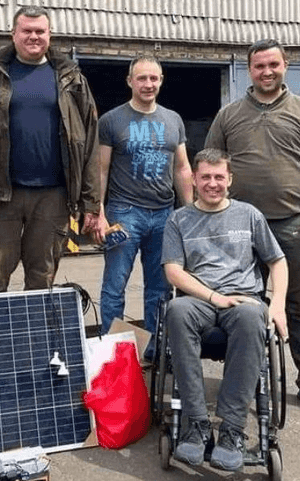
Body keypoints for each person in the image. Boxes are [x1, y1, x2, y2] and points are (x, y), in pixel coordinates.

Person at [204, 38, 300, 420]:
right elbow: (211, 165)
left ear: (285, 66)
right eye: (259, 66)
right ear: (249, 70)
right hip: (237, 229)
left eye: (273, 65)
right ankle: (246, 376)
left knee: (298, 305)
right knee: (239, 304)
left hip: (292, 224)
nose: (267, 72)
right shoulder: (229, 115)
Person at [162, 148, 288, 472]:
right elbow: (174, 272)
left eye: (219, 177)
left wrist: (278, 306)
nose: (213, 183)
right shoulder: (179, 220)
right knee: (175, 310)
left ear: (230, 179)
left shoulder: (249, 215)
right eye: (206, 176)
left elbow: (278, 261)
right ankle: (198, 425)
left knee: (251, 316)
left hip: (244, 299)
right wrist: (214, 297)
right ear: (194, 178)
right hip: (200, 298)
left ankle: (232, 430)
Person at [0, 6, 102, 294]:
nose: (33, 36)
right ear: (13, 34)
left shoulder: (71, 79)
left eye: (40, 31)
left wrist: (91, 202)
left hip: (53, 196)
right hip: (2, 195)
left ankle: (33, 338)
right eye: (26, 31)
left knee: (42, 278)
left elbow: (89, 142)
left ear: (49, 35)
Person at [93, 56, 193, 357]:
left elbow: (182, 168)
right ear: (130, 81)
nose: (148, 84)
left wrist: (189, 214)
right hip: (124, 213)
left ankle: (154, 352)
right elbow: (101, 170)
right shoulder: (111, 120)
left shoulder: (173, 119)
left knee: (160, 288)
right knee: (114, 286)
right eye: (141, 79)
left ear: (161, 80)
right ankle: (113, 354)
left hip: (165, 215)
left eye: (153, 78)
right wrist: (99, 212)